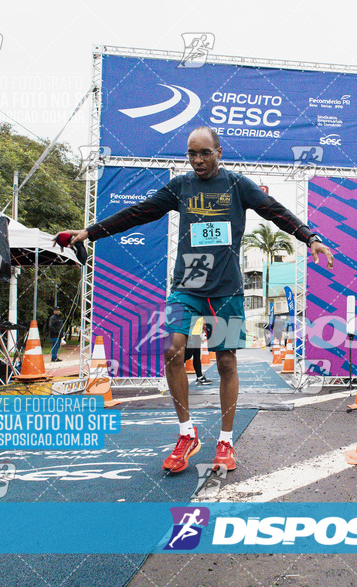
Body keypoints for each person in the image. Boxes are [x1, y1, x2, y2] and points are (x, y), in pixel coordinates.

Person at [57, 126, 334, 474]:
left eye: (205, 152)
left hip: (227, 287)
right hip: (189, 280)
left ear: (219, 152)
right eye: (192, 153)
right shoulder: (181, 187)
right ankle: (186, 434)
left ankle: (226, 440)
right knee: (172, 349)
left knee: (226, 363)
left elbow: (275, 212)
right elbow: (138, 212)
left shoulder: (237, 185)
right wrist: (88, 233)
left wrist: (311, 238)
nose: (198, 160)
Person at [186, 317, 211, 385]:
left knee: (197, 356)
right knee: (187, 355)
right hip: (190, 334)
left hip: (197, 334)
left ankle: (199, 377)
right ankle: (177, 376)